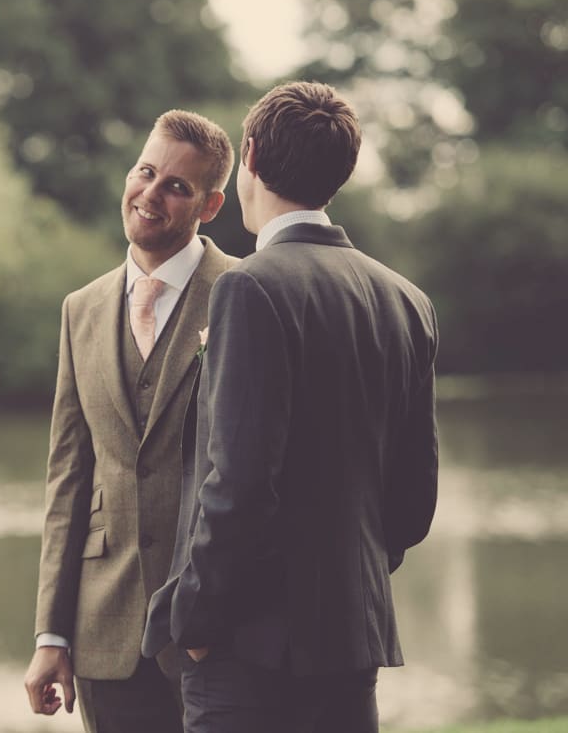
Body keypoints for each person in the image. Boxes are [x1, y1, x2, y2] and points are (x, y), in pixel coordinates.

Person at [142, 81, 439, 733]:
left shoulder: (251, 288)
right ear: (339, 173)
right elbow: (413, 501)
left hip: (250, 652)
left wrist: (195, 621)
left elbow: (239, 484)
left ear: (248, 156)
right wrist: (342, 574)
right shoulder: (407, 300)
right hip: (351, 640)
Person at [24, 109, 238, 733]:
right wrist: (51, 633)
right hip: (104, 632)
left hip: (217, 632)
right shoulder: (80, 310)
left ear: (210, 205)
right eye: (146, 172)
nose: (151, 193)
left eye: (177, 186)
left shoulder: (244, 293)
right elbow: (67, 479)